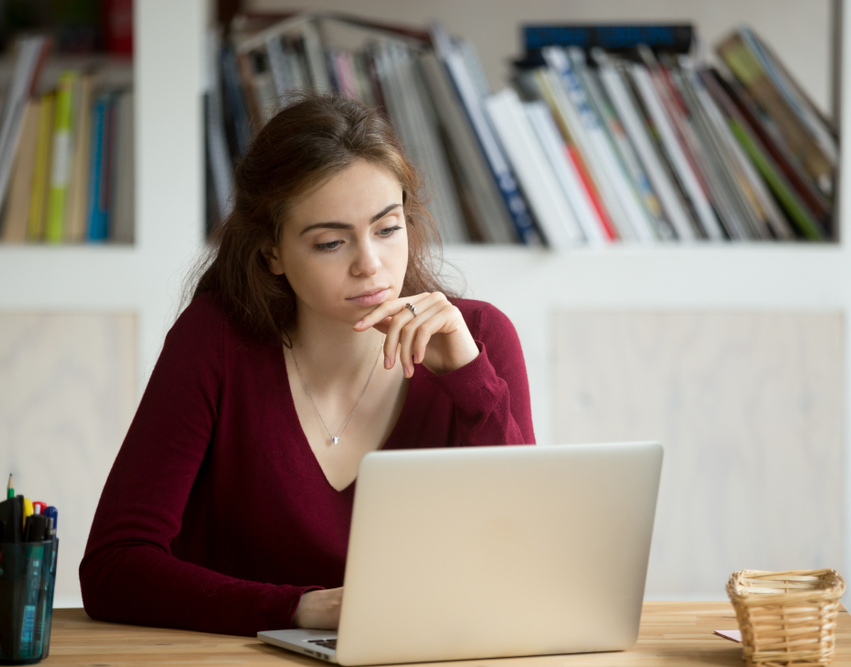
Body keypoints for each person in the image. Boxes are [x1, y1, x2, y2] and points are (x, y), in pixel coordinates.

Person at [79, 92, 535, 637]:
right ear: (272, 251)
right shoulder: (215, 341)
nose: (371, 265)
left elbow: (521, 564)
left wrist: (470, 379)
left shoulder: (478, 339)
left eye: (388, 229)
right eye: (330, 242)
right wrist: (294, 608)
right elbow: (114, 566)